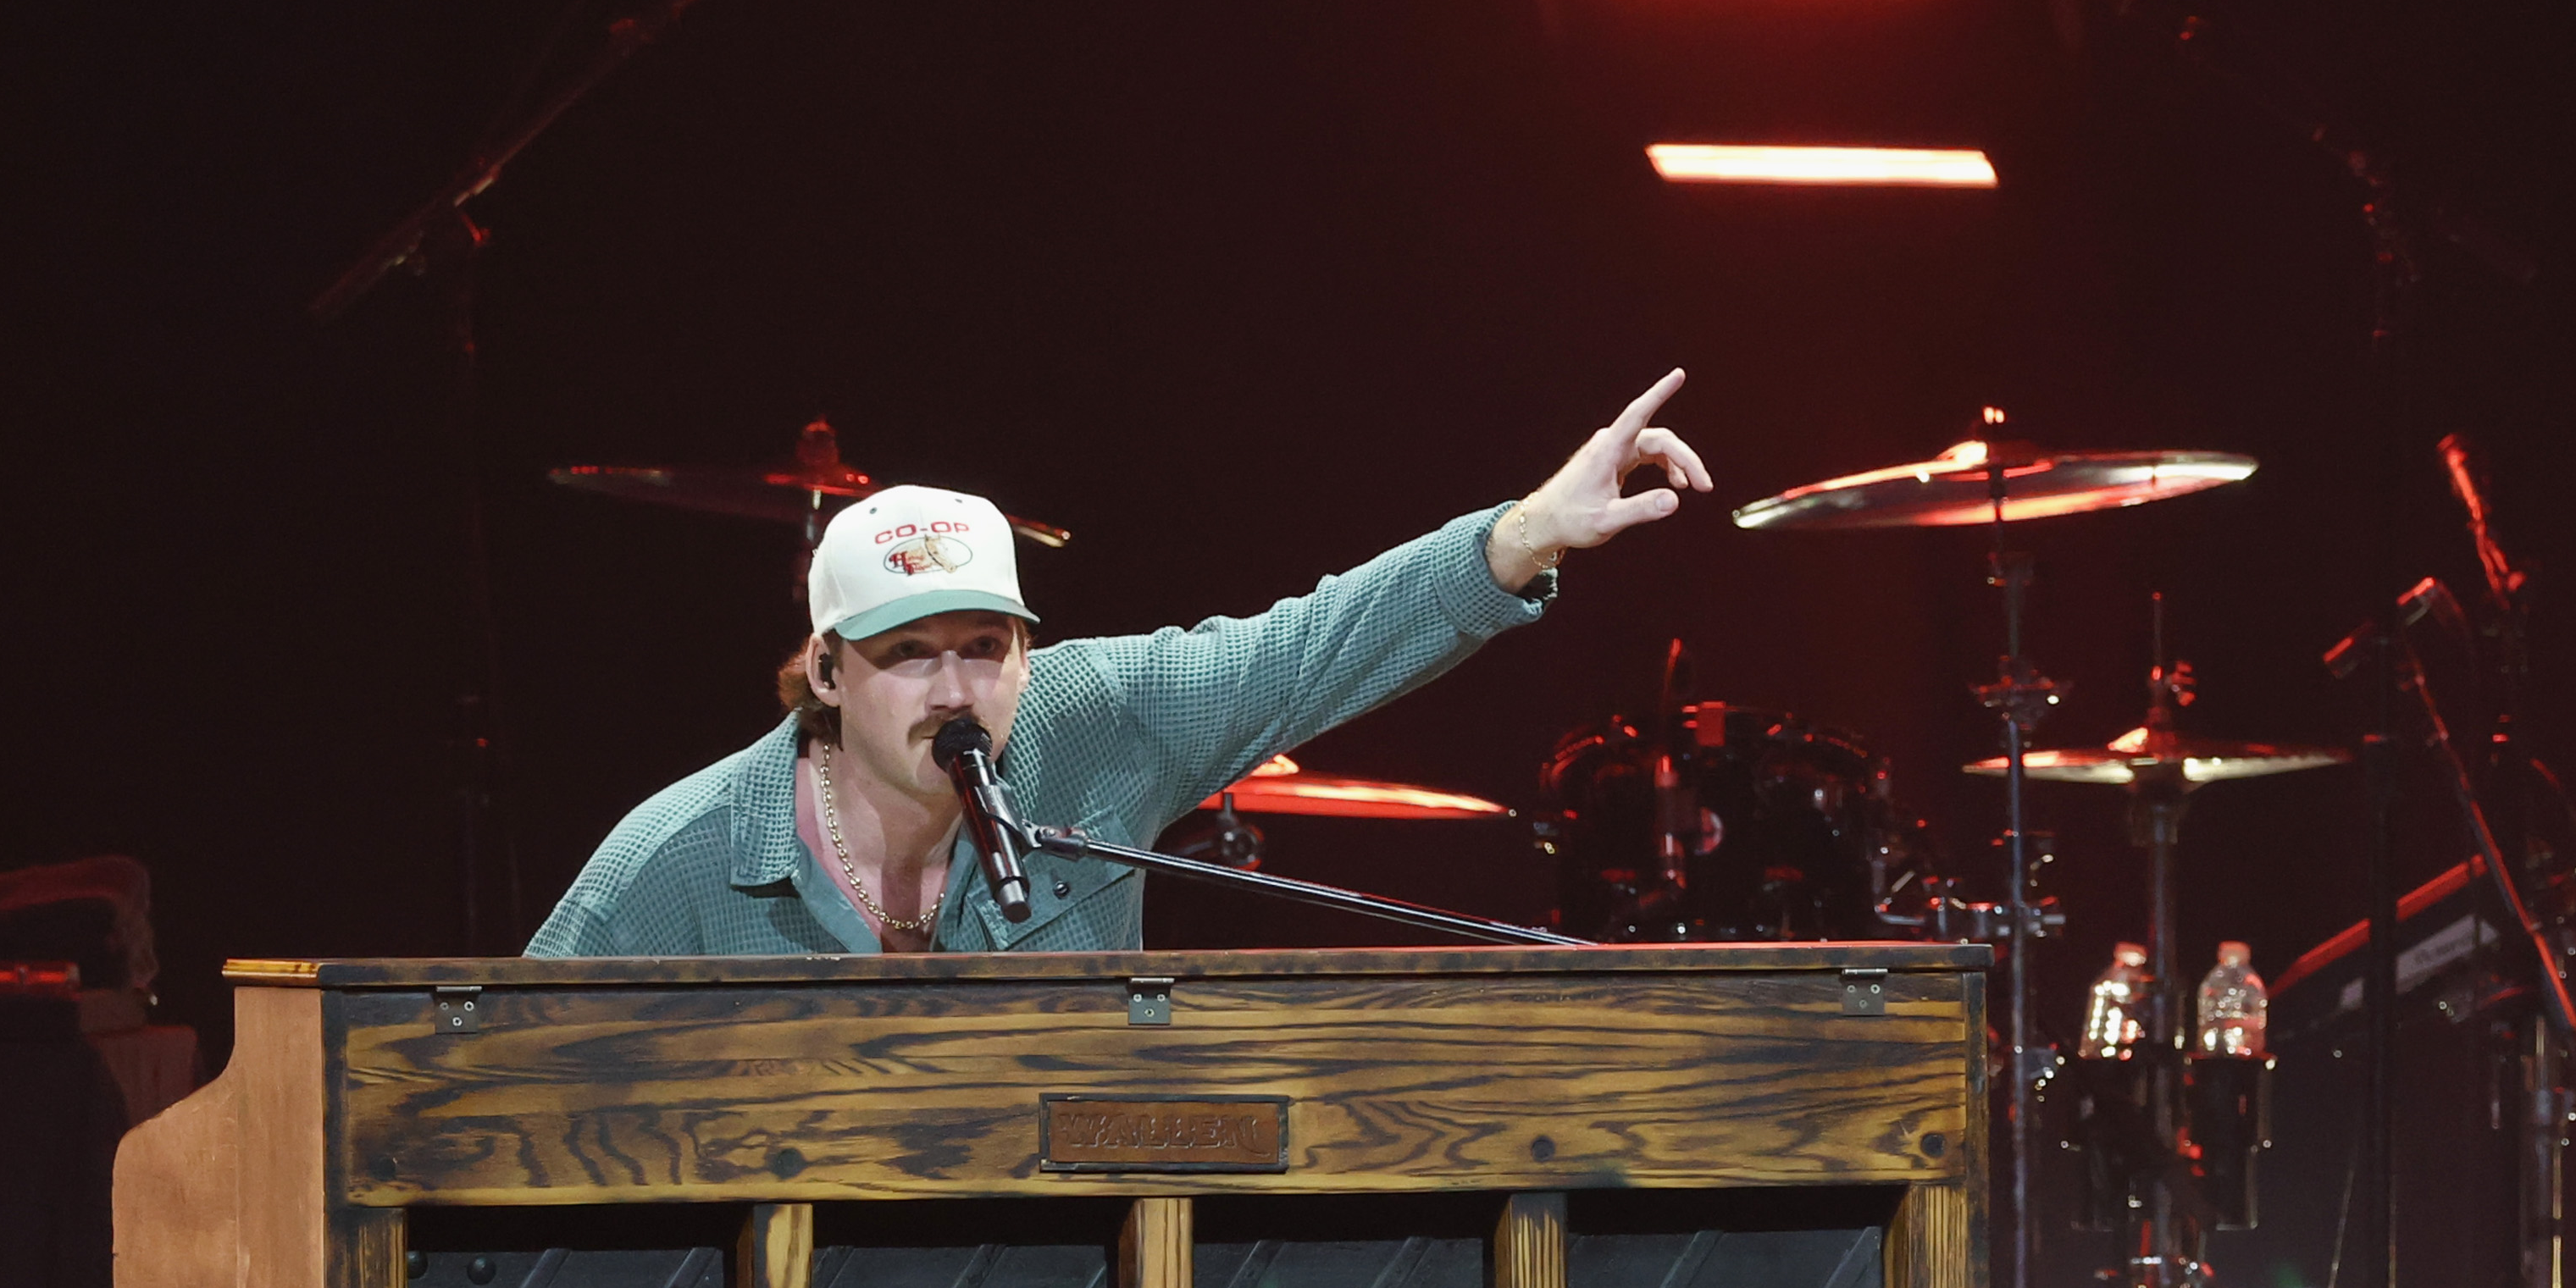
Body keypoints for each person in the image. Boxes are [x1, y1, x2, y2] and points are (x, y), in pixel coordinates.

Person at [527, 373, 1711, 957]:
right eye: (909, 657)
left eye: (984, 648)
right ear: (826, 674)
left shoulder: (1093, 718)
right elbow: (489, 1092)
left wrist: (1529, 533)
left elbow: (1310, 647)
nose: (957, 691)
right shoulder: (679, 860)